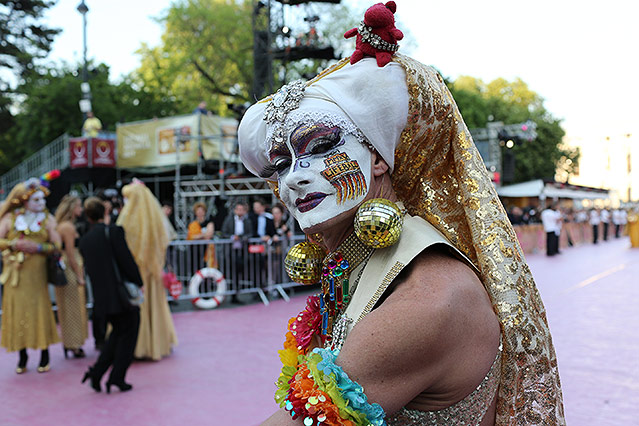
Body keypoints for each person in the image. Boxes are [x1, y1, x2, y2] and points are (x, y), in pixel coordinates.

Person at [237, 5, 565, 424]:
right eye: (280, 164)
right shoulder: (364, 263)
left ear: (378, 158)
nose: (295, 178)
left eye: (320, 147)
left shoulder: (426, 300)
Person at [79, 197, 142, 393]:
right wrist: (139, 282)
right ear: (104, 212)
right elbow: (126, 261)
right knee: (128, 334)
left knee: (116, 334)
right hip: (120, 295)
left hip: (102, 299)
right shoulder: (113, 232)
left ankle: (97, 374)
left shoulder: (85, 241)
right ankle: (116, 377)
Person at [0, 178, 61, 373]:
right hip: (15, 277)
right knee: (18, 313)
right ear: (25, 201)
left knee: (40, 312)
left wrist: (39, 247)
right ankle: (22, 355)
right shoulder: (10, 218)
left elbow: (56, 246)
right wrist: (13, 245)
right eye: (36, 199)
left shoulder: (48, 219)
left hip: (37, 277)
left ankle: (44, 353)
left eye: (43, 199)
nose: (41, 203)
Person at [116, 181, 178, 361]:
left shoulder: (128, 222)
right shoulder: (153, 221)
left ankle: (138, 345)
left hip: (137, 273)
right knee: (152, 306)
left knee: (138, 308)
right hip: (152, 272)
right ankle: (155, 342)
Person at [54, 195, 89, 359]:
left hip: (69, 267)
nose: (81, 210)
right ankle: (73, 343)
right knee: (72, 307)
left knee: (68, 307)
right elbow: (70, 253)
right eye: (78, 206)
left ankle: (71, 343)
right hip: (70, 268)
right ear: (71, 209)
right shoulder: (67, 227)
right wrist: (79, 275)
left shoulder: (63, 225)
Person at [221, 201, 253, 301]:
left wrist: (243, 238)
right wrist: (232, 237)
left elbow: (250, 233)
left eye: (242, 210)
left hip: (242, 251)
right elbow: (223, 232)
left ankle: (236, 293)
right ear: (234, 210)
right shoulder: (229, 220)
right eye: (238, 209)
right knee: (230, 272)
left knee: (239, 272)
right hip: (230, 250)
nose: (240, 212)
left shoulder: (247, 221)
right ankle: (230, 294)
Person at [187, 201, 216, 270]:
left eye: (201, 210)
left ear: (205, 212)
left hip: (206, 249)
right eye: (198, 211)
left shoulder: (209, 223)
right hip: (194, 251)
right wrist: (203, 235)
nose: (200, 212)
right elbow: (192, 237)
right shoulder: (192, 224)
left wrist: (198, 236)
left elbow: (209, 234)